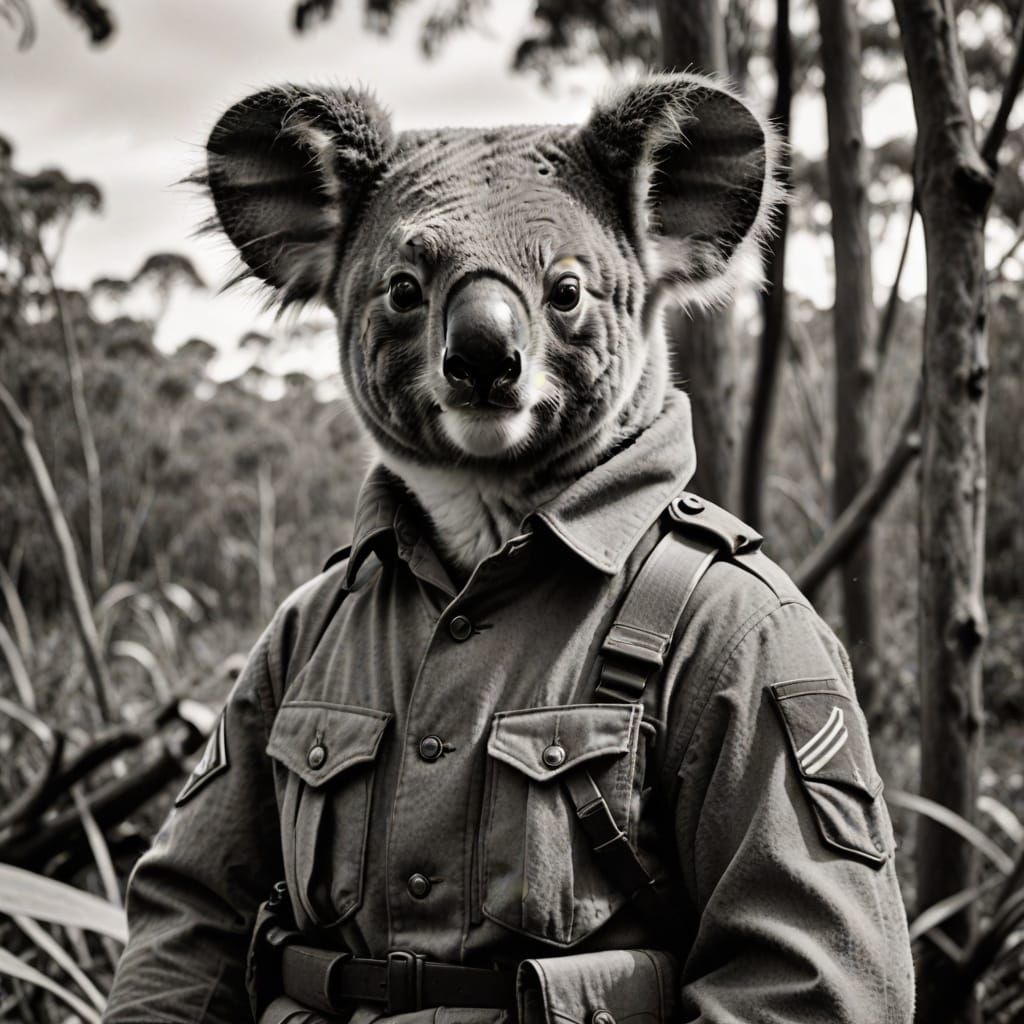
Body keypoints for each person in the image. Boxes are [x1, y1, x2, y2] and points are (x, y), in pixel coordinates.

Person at [104, 73, 915, 1023]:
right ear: (321, 268)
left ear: (668, 245)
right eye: (407, 293)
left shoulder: (734, 632)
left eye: (563, 294)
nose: (485, 338)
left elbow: (816, 995)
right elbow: (188, 929)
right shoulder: (314, 633)